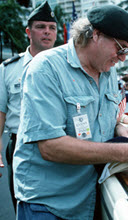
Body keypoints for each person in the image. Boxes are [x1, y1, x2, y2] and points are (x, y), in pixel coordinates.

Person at [13, 5, 128, 220]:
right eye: (120, 48)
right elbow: (50, 147)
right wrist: (126, 152)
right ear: (95, 35)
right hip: (49, 203)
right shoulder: (46, 68)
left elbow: (106, 114)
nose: (122, 58)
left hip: (90, 196)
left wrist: (119, 127)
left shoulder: (107, 71)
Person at [0, 1, 57, 210]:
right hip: (20, 145)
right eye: (41, 27)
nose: (47, 32)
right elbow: (1, 112)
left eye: (52, 28)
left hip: (58, 145)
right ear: (28, 32)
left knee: (55, 204)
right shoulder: (7, 69)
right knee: (22, 202)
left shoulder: (65, 67)